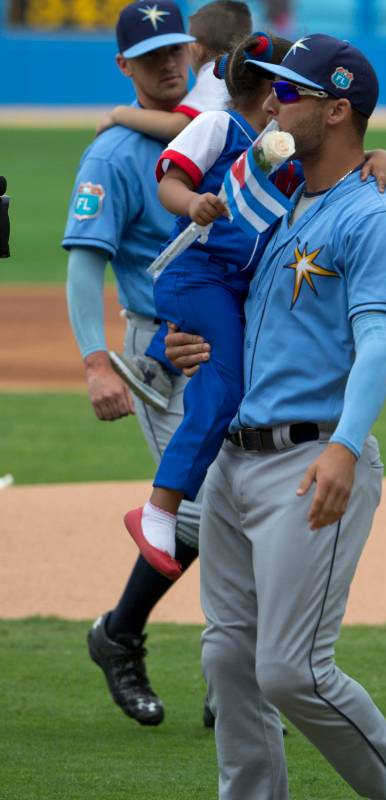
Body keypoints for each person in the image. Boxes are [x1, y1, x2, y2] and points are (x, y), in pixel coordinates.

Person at [172, 33, 386, 799]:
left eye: (288, 92)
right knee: (228, 659)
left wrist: (343, 443)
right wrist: (189, 339)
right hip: (233, 461)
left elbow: (377, 346)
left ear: (337, 110)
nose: (270, 101)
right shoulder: (281, 200)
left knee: (293, 669)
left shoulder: (384, 220)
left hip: (310, 461)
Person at [67, 0, 201, 728]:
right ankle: (120, 635)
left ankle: (229, 671)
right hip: (158, 355)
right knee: (210, 513)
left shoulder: (210, 125)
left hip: (231, 346)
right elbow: (85, 268)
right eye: (152, 57)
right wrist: (97, 363)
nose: (170, 64)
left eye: (177, 49)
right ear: (125, 68)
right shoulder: (113, 158)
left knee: (245, 504)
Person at [115, 32, 291, 580]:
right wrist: (193, 202)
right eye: (290, 86)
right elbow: (170, 181)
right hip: (196, 275)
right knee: (225, 380)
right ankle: (160, 507)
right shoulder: (219, 126)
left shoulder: (279, 142)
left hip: (235, 284)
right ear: (268, 91)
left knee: (242, 379)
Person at [97, 0, 251, 141]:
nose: (169, 64)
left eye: (176, 49)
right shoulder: (248, 70)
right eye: (151, 54)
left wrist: (118, 114)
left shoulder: (214, 76)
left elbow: (176, 127)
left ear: (195, 50)